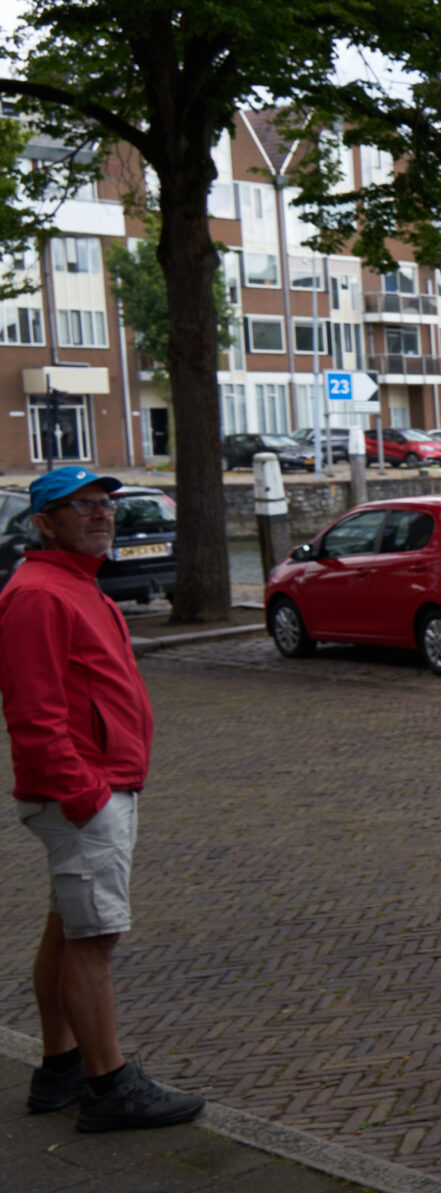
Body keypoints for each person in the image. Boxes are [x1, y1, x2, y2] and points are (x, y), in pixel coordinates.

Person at [0, 466, 205, 1133]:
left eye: (104, 503)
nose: (100, 514)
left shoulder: (77, 585)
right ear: (43, 522)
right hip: (84, 793)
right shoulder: (38, 594)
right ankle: (109, 1084)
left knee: (67, 925)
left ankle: (59, 1066)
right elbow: (34, 712)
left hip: (99, 785)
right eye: (79, 506)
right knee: (94, 936)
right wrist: (84, 792)